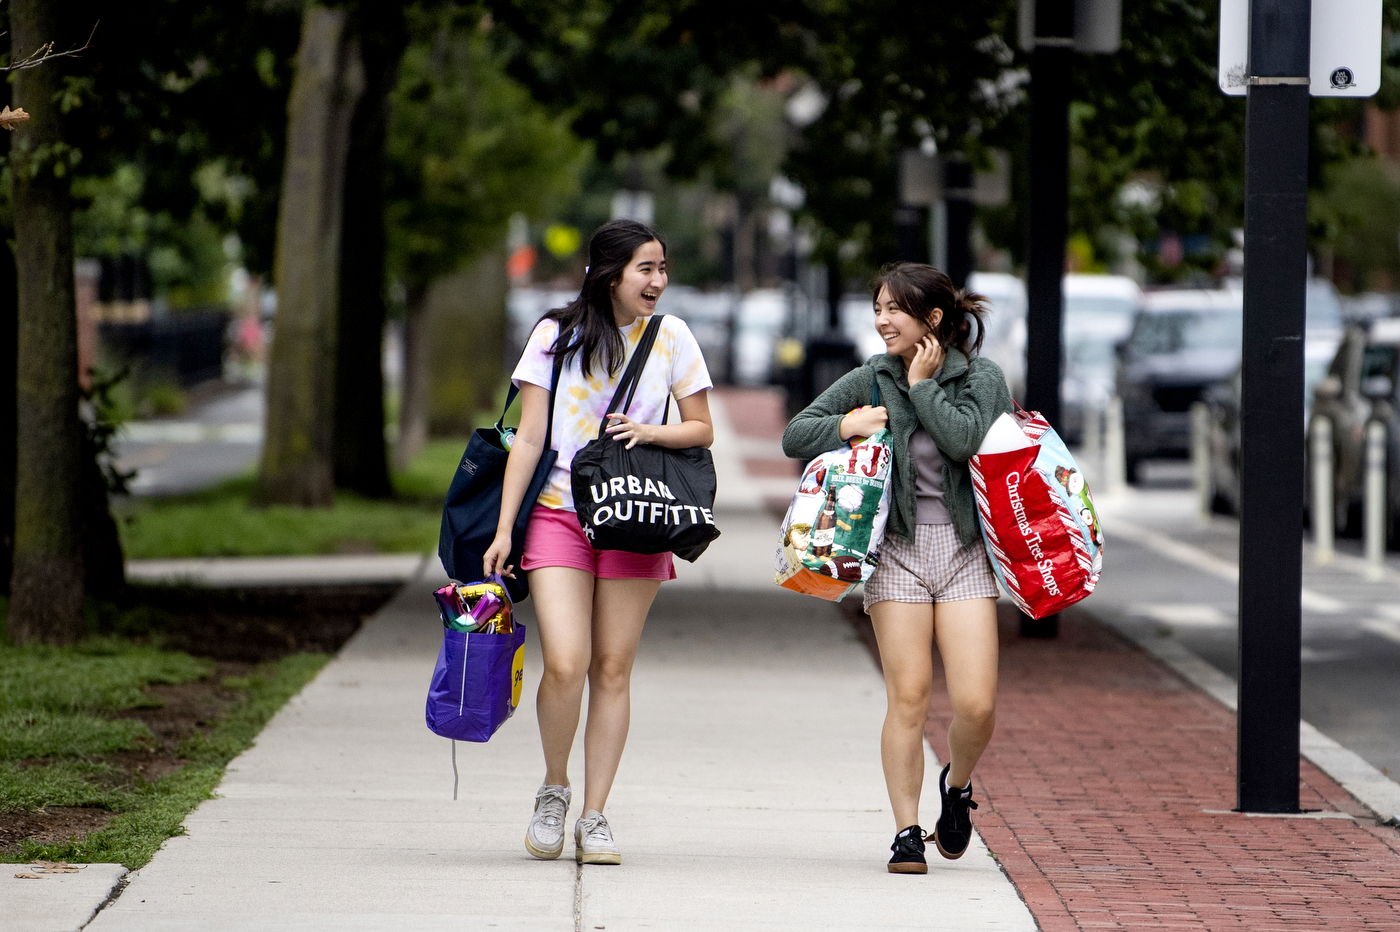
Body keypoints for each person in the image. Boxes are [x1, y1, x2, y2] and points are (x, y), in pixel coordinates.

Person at [483, 219, 714, 866]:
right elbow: (528, 437)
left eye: (663, 268)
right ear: (610, 272)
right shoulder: (555, 336)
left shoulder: (673, 338)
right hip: (557, 513)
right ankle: (554, 791)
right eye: (646, 268)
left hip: (634, 514)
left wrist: (650, 433)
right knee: (566, 660)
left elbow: (701, 430)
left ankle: (595, 815)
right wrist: (505, 528)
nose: (658, 281)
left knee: (613, 666)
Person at [782, 262, 1011, 874]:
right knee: (908, 697)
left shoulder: (982, 379)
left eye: (894, 309)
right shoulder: (870, 377)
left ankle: (956, 788)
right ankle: (906, 831)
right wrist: (846, 425)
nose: (881, 321)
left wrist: (922, 386)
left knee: (977, 704)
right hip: (898, 558)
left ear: (933, 320)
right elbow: (795, 434)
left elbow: (963, 440)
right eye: (877, 308)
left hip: (964, 555)